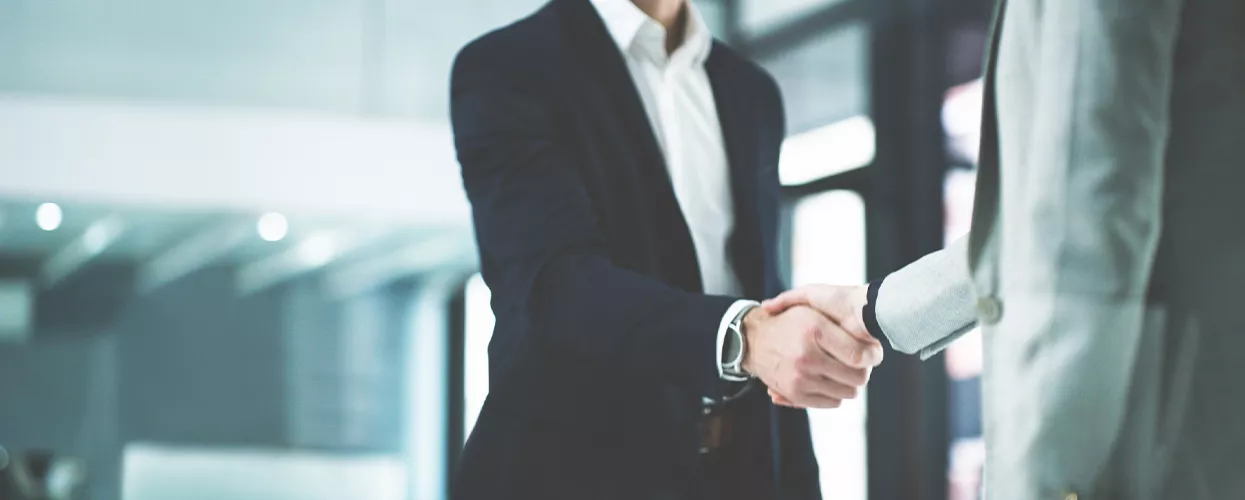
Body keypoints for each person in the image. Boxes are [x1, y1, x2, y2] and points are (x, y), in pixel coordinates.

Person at [764, 0, 1245, 498]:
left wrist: (1040, 481)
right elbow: (1066, 218)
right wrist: (874, 309)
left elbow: (1078, 220)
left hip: (1155, 438)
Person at [449, 0, 883, 498]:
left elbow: (758, 281)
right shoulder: (509, 66)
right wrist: (745, 338)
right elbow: (554, 284)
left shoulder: (750, 91)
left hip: (737, 469)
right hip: (572, 474)